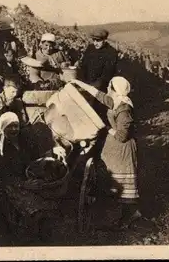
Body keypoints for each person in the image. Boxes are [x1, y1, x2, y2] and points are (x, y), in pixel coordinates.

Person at [70, 76, 142, 229]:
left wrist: (105, 128)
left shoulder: (124, 110)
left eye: (110, 87)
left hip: (123, 149)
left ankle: (131, 214)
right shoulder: (115, 101)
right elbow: (97, 94)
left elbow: (122, 136)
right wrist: (78, 82)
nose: (107, 90)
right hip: (114, 147)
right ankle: (119, 213)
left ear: (115, 90)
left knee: (124, 184)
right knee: (114, 180)